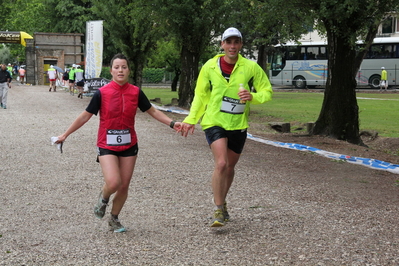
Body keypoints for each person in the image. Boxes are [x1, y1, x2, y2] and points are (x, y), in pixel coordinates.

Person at [55, 53, 182, 233]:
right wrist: (65, 134)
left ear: (128, 70)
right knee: (113, 182)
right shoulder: (102, 93)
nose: (120, 70)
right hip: (107, 144)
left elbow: (152, 111)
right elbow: (85, 116)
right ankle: (104, 197)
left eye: (124, 67)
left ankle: (114, 219)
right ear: (111, 70)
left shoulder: (136, 92)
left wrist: (172, 123)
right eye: (117, 67)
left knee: (124, 185)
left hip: (129, 144)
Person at [180, 27, 273, 227]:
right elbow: (201, 95)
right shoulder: (210, 66)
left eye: (236, 42)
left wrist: (253, 97)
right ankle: (217, 208)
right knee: (221, 164)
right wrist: (191, 119)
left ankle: (223, 202)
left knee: (230, 167)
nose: (232, 46)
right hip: (214, 121)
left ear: (240, 45)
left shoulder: (251, 67)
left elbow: (267, 91)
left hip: (238, 123)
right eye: (228, 42)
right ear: (222, 44)